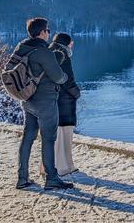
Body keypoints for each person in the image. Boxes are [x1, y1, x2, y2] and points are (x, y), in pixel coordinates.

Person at [14, 17, 74, 191]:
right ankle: (51, 179)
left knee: (27, 138)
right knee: (48, 139)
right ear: (41, 32)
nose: (48, 33)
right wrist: (65, 77)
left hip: (27, 100)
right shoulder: (44, 52)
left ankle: (22, 178)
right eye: (47, 30)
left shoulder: (21, 48)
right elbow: (58, 76)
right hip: (46, 103)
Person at [38, 33, 81, 177]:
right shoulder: (63, 55)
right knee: (64, 135)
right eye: (71, 43)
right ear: (66, 43)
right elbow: (68, 80)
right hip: (64, 102)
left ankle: (46, 167)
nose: (72, 45)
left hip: (50, 100)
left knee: (53, 136)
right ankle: (64, 168)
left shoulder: (48, 53)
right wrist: (77, 93)